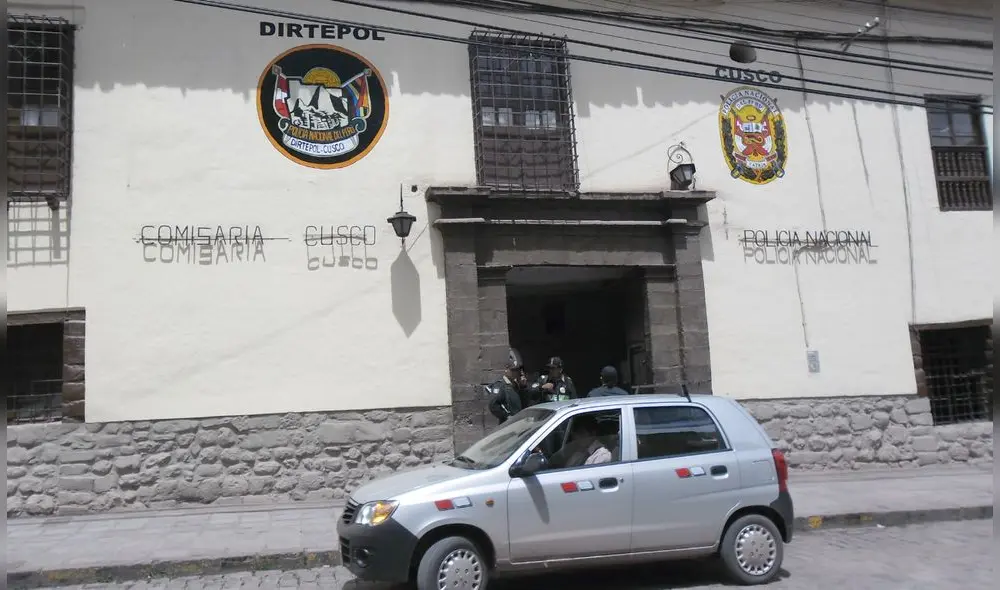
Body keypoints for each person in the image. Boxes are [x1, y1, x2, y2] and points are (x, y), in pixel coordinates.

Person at [487, 348, 527, 424]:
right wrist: (506, 416)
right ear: (506, 370)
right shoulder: (500, 385)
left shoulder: (516, 385)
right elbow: (493, 405)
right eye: (513, 370)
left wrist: (523, 387)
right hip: (508, 424)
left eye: (517, 370)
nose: (516, 373)